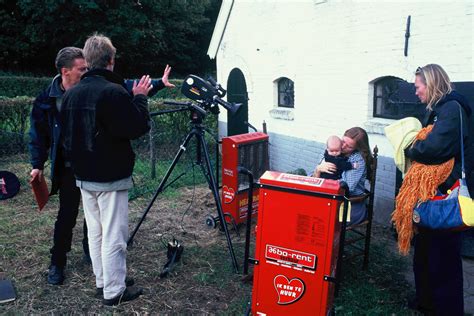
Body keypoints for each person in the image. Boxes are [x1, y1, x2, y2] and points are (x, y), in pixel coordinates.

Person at [61, 33, 172, 306]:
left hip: (83, 174)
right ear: (110, 61)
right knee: (114, 235)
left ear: (88, 61)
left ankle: (105, 280)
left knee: (97, 232)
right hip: (109, 175)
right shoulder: (113, 92)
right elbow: (136, 127)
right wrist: (140, 98)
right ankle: (114, 291)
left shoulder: (72, 93)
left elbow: (67, 135)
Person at [403, 64, 472, 315]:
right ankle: (427, 301)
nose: (416, 92)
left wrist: (410, 148)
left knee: (443, 258)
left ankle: (447, 309)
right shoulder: (439, 110)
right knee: (425, 253)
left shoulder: (451, 110)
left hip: (445, 193)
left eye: (418, 86)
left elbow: (434, 149)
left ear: (430, 84)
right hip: (432, 191)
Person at [29, 47, 90, 286]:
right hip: (67, 168)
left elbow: (125, 86)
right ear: (66, 71)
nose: (87, 72)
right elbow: (37, 135)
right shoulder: (46, 99)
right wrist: (37, 165)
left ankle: (91, 252)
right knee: (67, 215)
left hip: (93, 165)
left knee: (95, 214)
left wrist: (156, 84)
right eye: (81, 69)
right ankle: (58, 262)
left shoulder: (89, 90)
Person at [313, 127, 373, 225]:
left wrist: (323, 184)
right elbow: (314, 179)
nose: (343, 146)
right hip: (328, 199)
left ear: (356, 149)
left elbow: (346, 188)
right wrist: (318, 170)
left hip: (348, 206)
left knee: (315, 216)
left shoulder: (357, 161)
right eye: (343, 141)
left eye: (349, 146)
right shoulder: (332, 150)